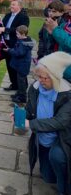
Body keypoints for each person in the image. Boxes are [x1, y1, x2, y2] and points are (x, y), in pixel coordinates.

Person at [27, 52, 71, 195]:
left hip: (62, 139)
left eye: (44, 77)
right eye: (38, 76)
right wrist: (20, 115)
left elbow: (60, 122)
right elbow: (30, 110)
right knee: (47, 177)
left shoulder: (67, 94)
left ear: (55, 77)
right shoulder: (34, 89)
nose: (40, 80)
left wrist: (31, 124)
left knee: (58, 157)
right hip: (43, 139)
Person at [0, 0, 32, 97]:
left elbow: (21, 30)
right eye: (11, 4)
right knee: (10, 65)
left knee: (18, 68)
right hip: (6, 43)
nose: (11, 6)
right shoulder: (8, 15)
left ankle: (21, 89)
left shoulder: (24, 17)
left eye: (13, 4)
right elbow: (2, 26)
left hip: (16, 44)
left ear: (20, 6)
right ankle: (14, 85)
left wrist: (5, 29)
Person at [7, 25, 36, 104]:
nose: (16, 35)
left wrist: (9, 50)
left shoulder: (24, 43)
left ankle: (22, 97)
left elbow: (18, 53)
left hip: (22, 66)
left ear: (23, 34)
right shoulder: (22, 41)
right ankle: (20, 93)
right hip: (21, 65)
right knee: (22, 80)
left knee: (21, 81)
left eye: (17, 34)